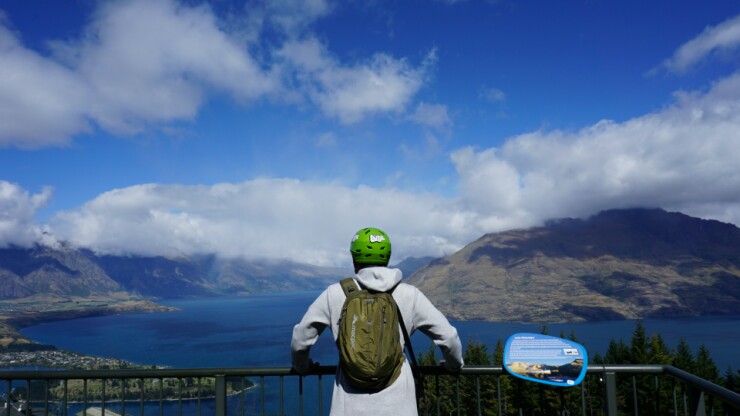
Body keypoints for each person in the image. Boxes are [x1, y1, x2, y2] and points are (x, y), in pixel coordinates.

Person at [291, 227, 464, 415]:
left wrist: (302, 367)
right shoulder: (409, 294)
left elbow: (301, 338)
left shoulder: (334, 293)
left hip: (348, 407)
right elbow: (448, 336)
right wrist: (453, 366)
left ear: (354, 257)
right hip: (399, 407)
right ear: (387, 257)